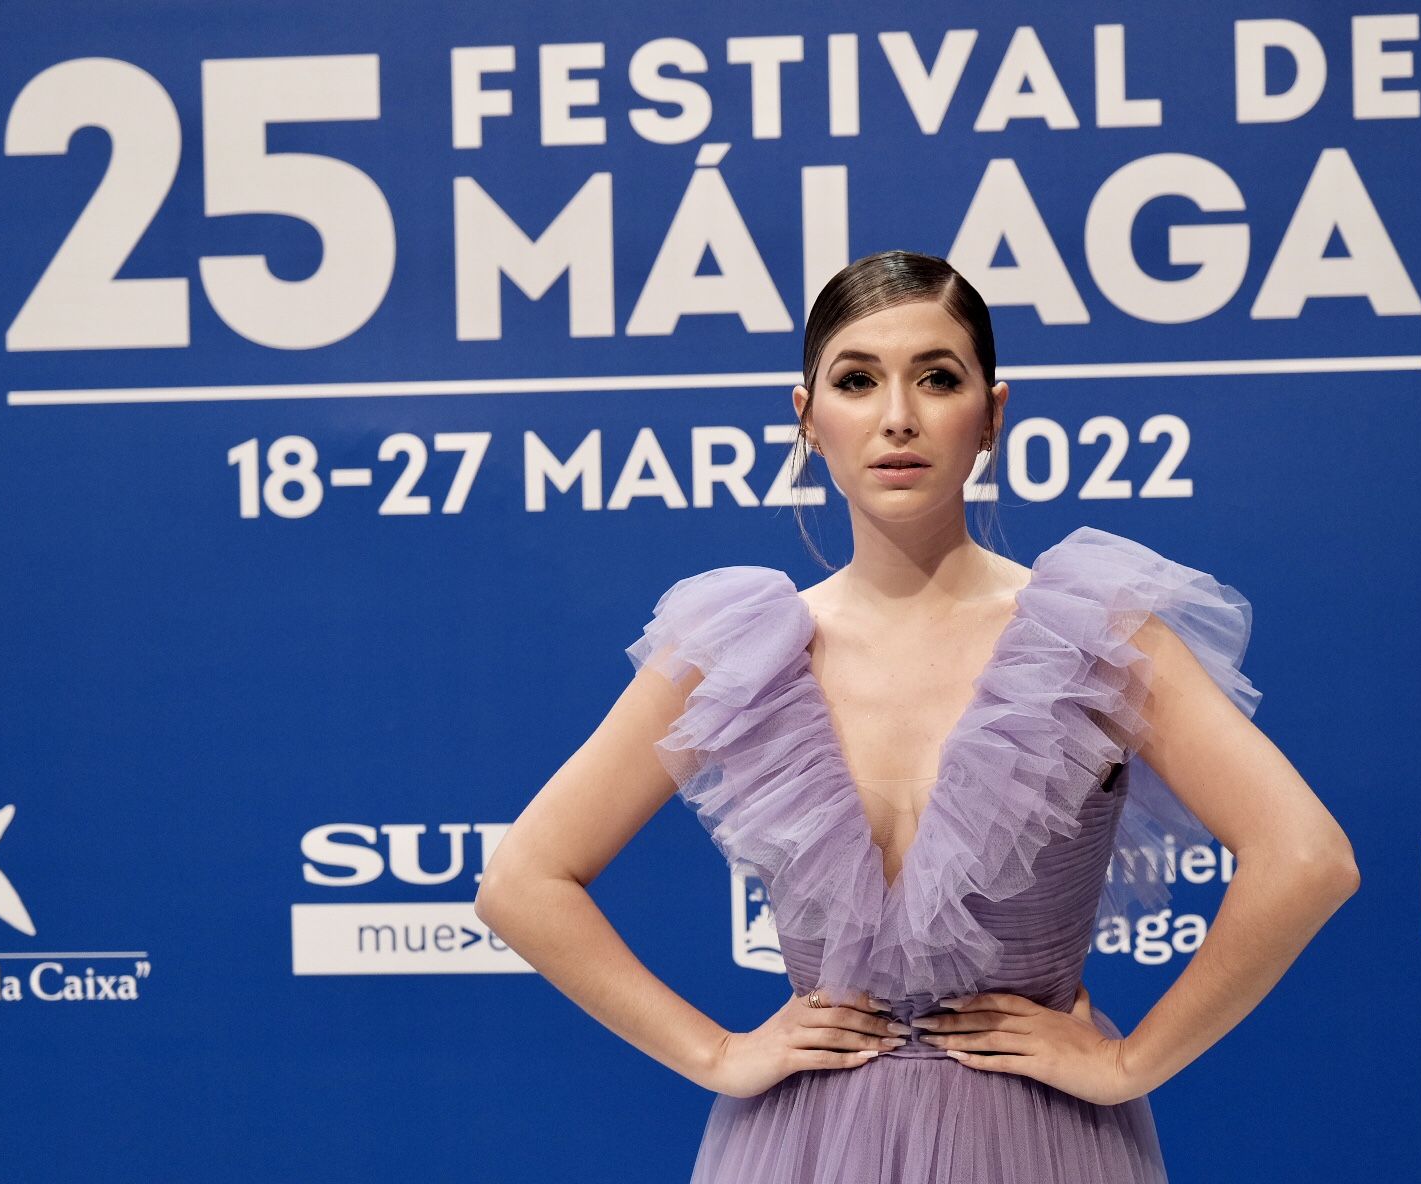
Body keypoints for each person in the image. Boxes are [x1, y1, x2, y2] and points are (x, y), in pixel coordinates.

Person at [474, 250, 1360, 1182]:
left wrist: (1132, 1064)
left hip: (1038, 1144)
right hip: (799, 1148)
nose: (898, 416)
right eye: (857, 380)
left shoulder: (1092, 634)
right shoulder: (738, 645)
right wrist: (717, 1055)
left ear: (993, 414)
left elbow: (1307, 858)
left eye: (938, 378)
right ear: (808, 417)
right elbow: (523, 883)